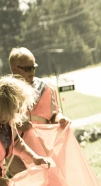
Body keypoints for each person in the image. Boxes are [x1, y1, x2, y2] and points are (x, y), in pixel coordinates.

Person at [8, 47, 71, 175]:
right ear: (14, 69)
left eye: (33, 67)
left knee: (47, 182)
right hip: (15, 150)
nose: (32, 71)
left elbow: (54, 114)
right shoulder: (5, 92)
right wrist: (16, 125)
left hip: (43, 147)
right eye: (27, 69)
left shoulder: (46, 89)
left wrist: (61, 119)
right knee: (26, 184)